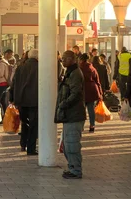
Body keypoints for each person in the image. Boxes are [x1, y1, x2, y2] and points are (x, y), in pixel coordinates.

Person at [55, 50, 86, 179]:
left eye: (65, 58)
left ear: (72, 59)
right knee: (68, 145)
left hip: (74, 114)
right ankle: (72, 167)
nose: (62, 60)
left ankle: (76, 170)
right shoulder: (69, 73)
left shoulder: (75, 74)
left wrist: (64, 103)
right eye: (62, 58)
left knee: (72, 144)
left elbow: (76, 93)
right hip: (69, 115)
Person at [10, 49, 39, 155]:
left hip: (21, 100)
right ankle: (31, 148)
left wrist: (12, 98)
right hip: (34, 101)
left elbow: (14, 83)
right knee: (33, 125)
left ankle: (23, 144)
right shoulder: (40, 67)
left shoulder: (20, 67)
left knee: (24, 123)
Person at [79, 53, 102, 133]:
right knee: (91, 109)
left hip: (82, 91)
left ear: (81, 59)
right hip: (92, 90)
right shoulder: (92, 68)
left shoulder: (79, 68)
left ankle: (81, 126)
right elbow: (97, 81)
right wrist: (100, 93)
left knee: (82, 110)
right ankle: (92, 125)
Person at [0, 50, 12, 115]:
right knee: (4, 101)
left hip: (2, 83)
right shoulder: (5, 62)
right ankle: (5, 115)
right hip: (6, 83)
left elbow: (0, 74)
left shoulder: (1, 64)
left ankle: (3, 115)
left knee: (1, 101)